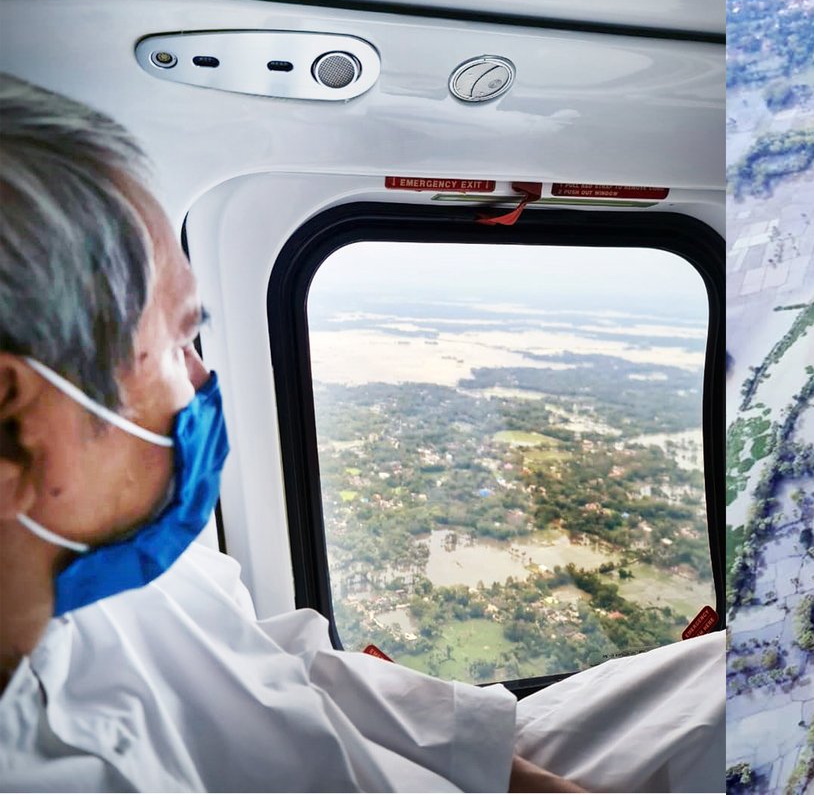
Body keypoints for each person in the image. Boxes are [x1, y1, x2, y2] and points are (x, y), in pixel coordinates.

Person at [0, 74, 724, 792]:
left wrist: (518, 780)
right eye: (178, 341)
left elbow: (282, 676)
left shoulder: (139, 570)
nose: (199, 380)